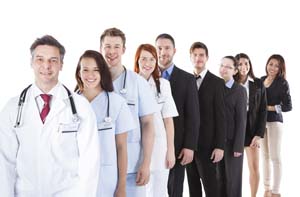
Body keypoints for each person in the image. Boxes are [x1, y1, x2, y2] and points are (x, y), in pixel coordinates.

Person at [0, 35, 100, 196]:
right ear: (31, 62)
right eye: (40, 59)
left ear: (61, 65)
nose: (46, 66)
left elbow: (90, 162)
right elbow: (4, 163)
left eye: (53, 60)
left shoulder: (80, 108)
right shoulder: (12, 108)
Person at [100, 27, 156, 196]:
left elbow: (148, 124)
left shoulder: (137, 82)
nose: (111, 51)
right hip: (101, 167)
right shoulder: (91, 82)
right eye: (107, 46)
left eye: (117, 46)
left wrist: (146, 163)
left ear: (124, 50)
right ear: (100, 49)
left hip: (133, 167)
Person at [75, 50, 136, 197]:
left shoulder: (117, 103)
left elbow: (121, 148)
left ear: (102, 72)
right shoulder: (70, 104)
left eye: (96, 70)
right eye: (85, 70)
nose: (90, 75)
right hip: (76, 178)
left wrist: (121, 186)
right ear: (79, 73)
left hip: (106, 179)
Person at [155, 33, 200, 197]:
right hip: (151, 143)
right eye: (159, 48)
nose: (162, 52)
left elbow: (193, 116)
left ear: (174, 50)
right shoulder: (145, 77)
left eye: (167, 48)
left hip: (178, 145)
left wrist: (190, 146)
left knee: (174, 189)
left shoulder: (187, 79)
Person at [133, 44, 178, 196]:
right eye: (144, 59)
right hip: (136, 146)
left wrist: (170, 150)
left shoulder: (164, 85)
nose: (148, 63)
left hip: (159, 147)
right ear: (137, 61)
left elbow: (168, 121)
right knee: (138, 191)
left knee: (159, 191)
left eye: (152, 59)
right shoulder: (130, 84)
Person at [186, 42, 226, 197]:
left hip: (209, 146)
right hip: (189, 145)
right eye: (195, 55)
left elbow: (221, 117)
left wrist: (220, 146)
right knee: (193, 188)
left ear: (207, 57)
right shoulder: (186, 80)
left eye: (201, 55)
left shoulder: (217, 82)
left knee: (212, 189)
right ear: (190, 57)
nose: (198, 58)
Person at [234, 53, 267, 197]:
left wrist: (258, 134)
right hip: (234, 129)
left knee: (254, 167)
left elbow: (263, 110)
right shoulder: (229, 83)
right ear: (235, 66)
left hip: (252, 128)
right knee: (233, 169)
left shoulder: (258, 83)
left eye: (246, 63)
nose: (244, 67)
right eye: (240, 64)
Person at [261, 54, 292, 197]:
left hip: (275, 123)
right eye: (270, 64)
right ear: (267, 64)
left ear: (280, 69)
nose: (272, 68)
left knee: (275, 157)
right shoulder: (261, 80)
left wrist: (270, 108)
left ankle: (276, 191)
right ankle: (266, 189)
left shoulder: (282, 83)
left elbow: (288, 106)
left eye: (276, 66)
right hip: (261, 123)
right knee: (265, 156)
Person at [219, 56, 247, 197]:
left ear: (235, 71)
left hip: (232, 144)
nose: (223, 69)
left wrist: (238, 146)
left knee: (233, 181)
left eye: (228, 67)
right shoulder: (215, 86)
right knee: (219, 181)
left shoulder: (240, 91)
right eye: (222, 65)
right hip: (217, 143)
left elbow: (242, 120)